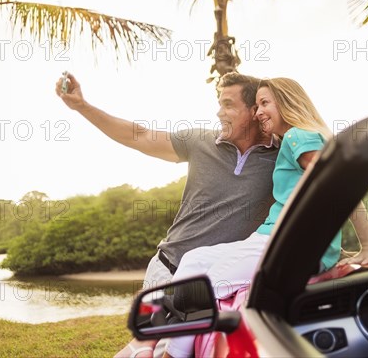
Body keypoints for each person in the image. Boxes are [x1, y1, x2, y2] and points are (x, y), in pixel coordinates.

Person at [56, 72, 280, 358]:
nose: (218, 111)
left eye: (227, 104)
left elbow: (321, 176)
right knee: (139, 349)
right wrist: (82, 106)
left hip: (210, 284)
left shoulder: (281, 157)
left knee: (168, 352)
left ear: (254, 111)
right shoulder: (200, 140)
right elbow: (139, 135)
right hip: (165, 269)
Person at [161, 78, 368, 358]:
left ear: (287, 103)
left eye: (265, 104)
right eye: (256, 106)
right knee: (193, 260)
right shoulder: (298, 139)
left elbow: (340, 188)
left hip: (282, 244)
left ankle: (173, 356)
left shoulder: (297, 136)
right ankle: (173, 345)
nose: (257, 113)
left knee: (209, 285)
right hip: (270, 239)